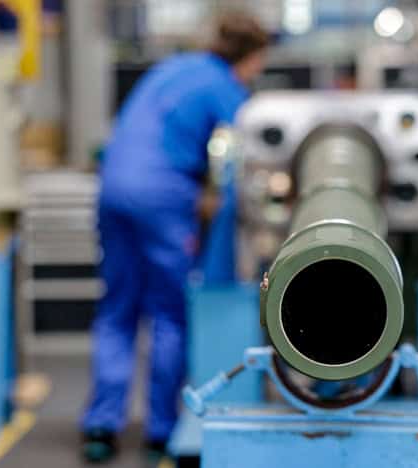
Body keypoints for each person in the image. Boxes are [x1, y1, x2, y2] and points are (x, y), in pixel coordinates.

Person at [81, 13, 269, 463]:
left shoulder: (171, 67)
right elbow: (239, 165)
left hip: (113, 188)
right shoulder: (226, 88)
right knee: (169, 311)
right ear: (251, 58)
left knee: (118, 309)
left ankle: (101, 426)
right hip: (162, 197)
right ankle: (161, 429)